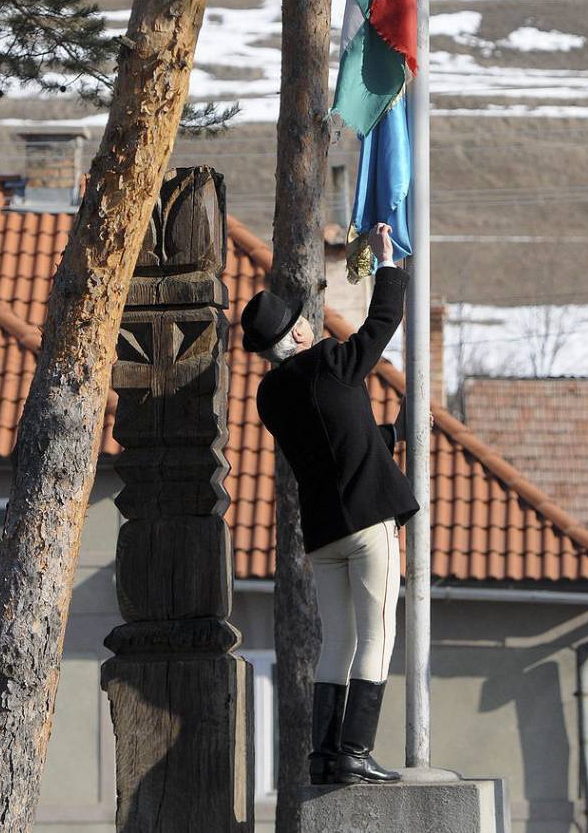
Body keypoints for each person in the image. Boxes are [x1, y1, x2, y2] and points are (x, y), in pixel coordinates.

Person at [240, 222, 420, 786]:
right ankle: (355, 753)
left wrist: (393, 435)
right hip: (368, 526)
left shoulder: (271, 397)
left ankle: (323, 755)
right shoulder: (331, 365)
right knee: (378, 636)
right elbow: (382, 324)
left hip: (321, 534)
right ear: (295, 335)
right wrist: (389, 267)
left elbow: (335, 444)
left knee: (337, 642)